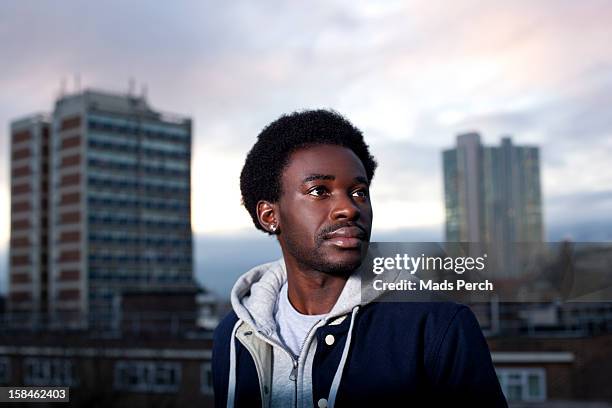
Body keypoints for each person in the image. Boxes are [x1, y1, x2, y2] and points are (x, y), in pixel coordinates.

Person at [212, 110, 507, 407]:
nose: (350, 208)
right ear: (269, 215)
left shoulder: (436, 326)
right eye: (319, 191)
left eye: (359, 192)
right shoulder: (234, 335)